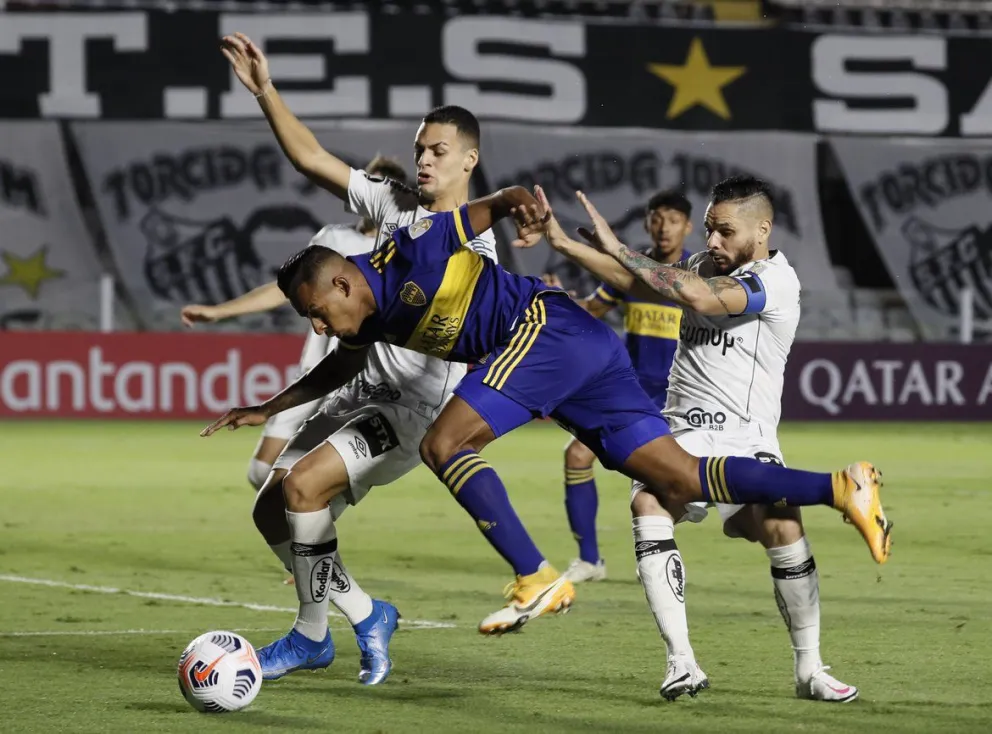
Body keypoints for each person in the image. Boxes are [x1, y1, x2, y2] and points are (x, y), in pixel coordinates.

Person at [201, 185, 893, 652]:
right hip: (583, 351)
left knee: (445, 442)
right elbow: (338, 368)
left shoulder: (411, 250)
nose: (319, 325)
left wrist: (525, 212)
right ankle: (841, 487)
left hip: (543, 328)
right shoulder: (368, 314)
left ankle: (536, 575)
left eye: (318, 311)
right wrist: (269, 407)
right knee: (679, 478)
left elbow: (498, 202)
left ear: (343, 282)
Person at [214, 32, 574, 677]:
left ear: (470, 160)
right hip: (357, 391)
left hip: (411, 409)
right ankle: (362, 614)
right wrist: (265, 91)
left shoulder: (473, 249)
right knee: (271, 509)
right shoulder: (397, 205)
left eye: (438, 152)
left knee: (302, 487)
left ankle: (310, 635)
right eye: (419, 151)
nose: (424, 161)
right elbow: (311, 159)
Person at [523, 176, 861, 701]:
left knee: (781, 524)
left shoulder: (774, 280)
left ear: (762, 230)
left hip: (746, 438)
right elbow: (637, 284)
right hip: (683, 432)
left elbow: (700, 299)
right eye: (709, 230)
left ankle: (810, 670)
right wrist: (564, 242)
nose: (713, 241)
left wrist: (617, 246)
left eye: (726, 231)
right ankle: (681, 662)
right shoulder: (703, 265)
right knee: (649, 501)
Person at [181, 155, 408, 498]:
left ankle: (314, 512)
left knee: (317, 479)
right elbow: (284, 290)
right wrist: (219, 312)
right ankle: (308, 513)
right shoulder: (333, 238)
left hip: (363, 379)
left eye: (377, 188)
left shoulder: (399, 249)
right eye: (366, 183)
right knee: (261, 472)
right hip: (315, 372)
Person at [553, 190, 693, 584]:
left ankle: (658, 556)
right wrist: (560, 298)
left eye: (673, 219)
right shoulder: (632, 269)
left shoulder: (693, 274)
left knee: (673, 483)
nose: (664, 227)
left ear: (687, 226)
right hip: (631, 391)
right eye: (657, 218)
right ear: (647, 223)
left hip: (680, 395)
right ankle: (589, 560)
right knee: (577, 454)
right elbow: (592, 309)